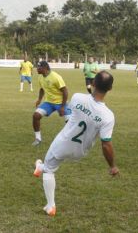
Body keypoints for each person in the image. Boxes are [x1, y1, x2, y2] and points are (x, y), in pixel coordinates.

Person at [33, 71, 119, 216]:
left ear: (93, 83)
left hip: (63, 143)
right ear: (110, 89)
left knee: (49, 170)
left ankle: (50, 206)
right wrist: (112, 166)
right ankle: (38, 167)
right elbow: (106, 144)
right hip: (80, 151)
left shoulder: (77, 97)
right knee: (48, 164)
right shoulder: (108, 116)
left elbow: (74, 114)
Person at [32, 61, 71, 146]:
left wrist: (62, 107)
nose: (37, 69)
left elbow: (65, 92)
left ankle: (70, 141)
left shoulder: (56, 77)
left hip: (61, 103)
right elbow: (42, 89)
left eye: (39, 67)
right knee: (36, 116)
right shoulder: (40, 77)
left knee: (70, 122)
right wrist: (39, 100)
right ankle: (38, 139)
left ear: (45, 68)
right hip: (49, 103)